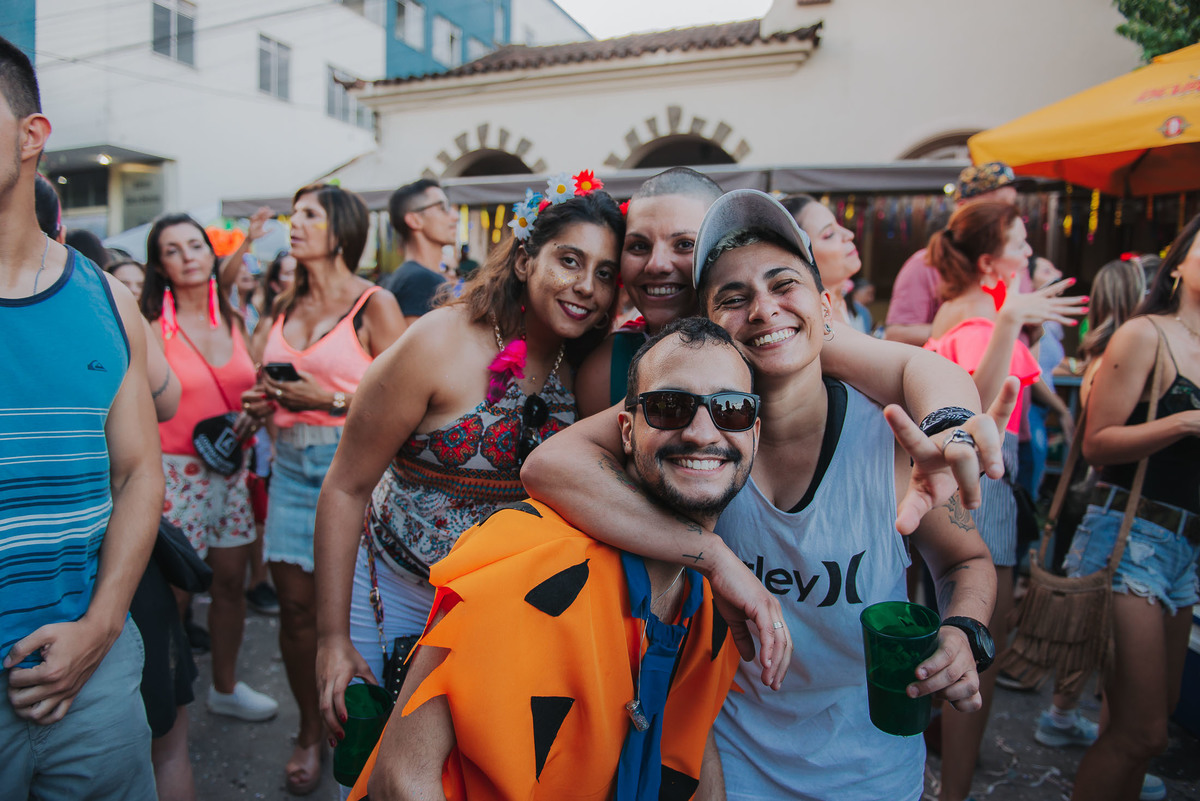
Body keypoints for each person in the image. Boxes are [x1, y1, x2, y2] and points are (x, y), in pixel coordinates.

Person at [523, 190, 1011, 801]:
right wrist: (714, 559)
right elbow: (550, 464)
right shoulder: (690, 432)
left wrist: (964, 631)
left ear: (825, 307)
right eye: (733, 298)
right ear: (709, 328)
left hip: (872, 767)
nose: (762, 309)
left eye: (784, 285)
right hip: (730, 761)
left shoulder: (889, 437)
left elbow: (965, 560)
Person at [314, 181, 624, 794]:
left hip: (500, 613)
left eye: (606, 273)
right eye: (570, 260)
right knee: (373, 774)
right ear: (524, 258)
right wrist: (331, 639)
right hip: (394, 597)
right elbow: (345, 487)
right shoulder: (438, 343)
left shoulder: (589, 369)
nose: (587, 286)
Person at [362, 318, 755, 800]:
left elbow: (691, 742)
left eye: (731, 409)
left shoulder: (711, 598)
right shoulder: (534, 564)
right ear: (626, 432)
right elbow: (401, 780)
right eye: (668, 407)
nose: (700, 432)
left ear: (753, 432)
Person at [0, 36, 162, 799]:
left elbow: (138, 473)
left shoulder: (105, 298)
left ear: (31, 135)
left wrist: (101, 626)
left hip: (92, 675)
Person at [244, 183, 406, 795]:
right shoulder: (281, 302)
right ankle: (309, 729)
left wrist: (331, 399)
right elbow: (264, 377)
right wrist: (265, 401)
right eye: (295, 214)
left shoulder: (375, 304)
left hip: (359, 474)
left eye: (309, 215)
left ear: (340, 229)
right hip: (289, 468)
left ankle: (363, 732)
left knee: (358, 618)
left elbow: (409, 397)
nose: (295, 223)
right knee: (295, 614)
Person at [923, 200, 1085, 801]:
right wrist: (1012, 319)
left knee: (960, 635)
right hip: (982, 488)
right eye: (1019, 244)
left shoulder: (968, 311)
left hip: (979, 482)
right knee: (979, 643)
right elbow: (970, 411)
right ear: (990, 261)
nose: (1029, 252)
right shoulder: (979, 323)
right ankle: (956, 789)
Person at [1064, 215, 1200, 801]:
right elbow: (1097, 443)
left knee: (1152, 726)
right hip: (1131, 534)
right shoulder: (1147, 334)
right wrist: (1184, 422)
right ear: (1180, 262)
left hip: (1186, 548)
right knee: (1141, 731)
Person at [141, 212, 280, 724]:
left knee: (231, 583)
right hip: (174, 475)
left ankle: (224, 687)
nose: (187, 257)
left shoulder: (235, 319)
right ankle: (165, 704)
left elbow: (254, 387)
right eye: (172, 250)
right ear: (160, 265)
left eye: (195, 245)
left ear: (210, 252)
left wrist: (258, 410)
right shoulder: (151, 327)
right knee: (175, 594)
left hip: (231, 471)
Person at [573, 166, 723, 416]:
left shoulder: (761, 343)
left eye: (684, 244)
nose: (656, 265)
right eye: (639, 246)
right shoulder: (605, 370)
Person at [885, 162, 1023, 346]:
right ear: (963, 208)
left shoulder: (1016, 261)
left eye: (1011, 205)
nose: (1009, 213)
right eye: (997, 205)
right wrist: (961, 328)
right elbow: (896, 334)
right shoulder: (925, 264)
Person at [780, 193, 863, 327]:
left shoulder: (846, 304)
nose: (849, 234)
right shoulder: (812, 322)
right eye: (829, 234)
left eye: (838, 225)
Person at [381, 178, 456, 323]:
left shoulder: (410, 275)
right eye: (443, 208)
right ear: (415, 220)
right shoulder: (420, 280)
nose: (455, 216)